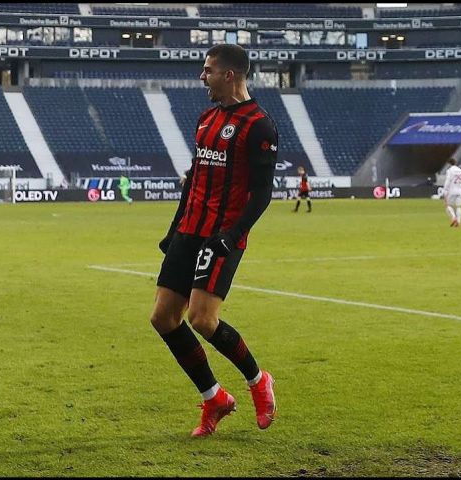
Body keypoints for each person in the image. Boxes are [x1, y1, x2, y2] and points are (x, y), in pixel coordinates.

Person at [151, 44, 278, 437]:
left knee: (203, 320)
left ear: (229, 75)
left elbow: (262, 193)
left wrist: (233, 235)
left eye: (207, 70)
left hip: (221, 236)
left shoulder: (260, 125)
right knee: (163, 318)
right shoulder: (206, 119)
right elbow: (194, 181)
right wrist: (174, 231)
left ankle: (258, 381)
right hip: (189, 229)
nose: (201, 77)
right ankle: (214, 398)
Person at [443, 157, 461, 227]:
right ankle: (458, 221)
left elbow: (448, 181)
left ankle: (453, 218)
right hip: (459, 190)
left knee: (448, 205)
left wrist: (445, 190)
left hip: (452, 190)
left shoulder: (450, 171)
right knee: (458, 206)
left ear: (449, 164)